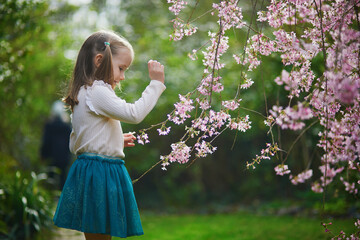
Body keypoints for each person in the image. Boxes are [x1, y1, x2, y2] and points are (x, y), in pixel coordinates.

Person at [53, 30, 166, 240]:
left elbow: (79, 137)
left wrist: (113, 140)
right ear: (99, 60)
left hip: (91, 168)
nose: (122, 76)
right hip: (100, 171)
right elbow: (134, 114)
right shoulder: (98, 91)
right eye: (121, 68)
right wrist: (156, 84)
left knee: (98, 235)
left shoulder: (83, 92)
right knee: (100, 236)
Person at [41, 100, 72, 190]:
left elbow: (46, 141)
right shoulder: (67, 127)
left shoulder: (49, 125)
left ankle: (50, 199)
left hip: (52, 157)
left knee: (51, 179)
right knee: (62, 179)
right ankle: (61, 199)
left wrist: (43, 154)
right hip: (64, 158)